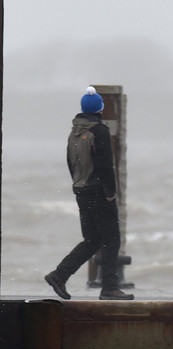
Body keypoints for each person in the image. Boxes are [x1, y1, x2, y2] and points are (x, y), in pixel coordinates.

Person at [45, 86, 134, 301]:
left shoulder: (73, 132)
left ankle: (59, 275)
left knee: (92, 239)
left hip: (81, 191)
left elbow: (70, 163)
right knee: (112, 239)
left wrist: (79, 186)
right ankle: (110, 288)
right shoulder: (99, 131)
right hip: (99, 193)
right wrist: (111, 192)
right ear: (100, 110)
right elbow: (106, 164)